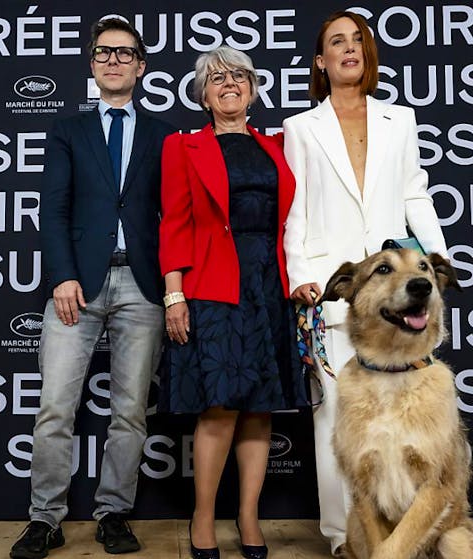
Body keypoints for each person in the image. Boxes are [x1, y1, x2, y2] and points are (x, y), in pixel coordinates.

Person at [282, 10, 449, 558]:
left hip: (394, 294)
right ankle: (343, 537)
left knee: (398, 422)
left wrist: (438, 260)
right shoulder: (301, 127)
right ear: (321, 61)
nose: (349, 48)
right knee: (337, 417)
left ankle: (400, 537)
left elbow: (415, 193)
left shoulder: (401, 120)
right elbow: (296, 209)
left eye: (357, 40)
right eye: (337, 41)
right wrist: (303, 277)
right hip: (335, 290)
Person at [9, 16, 175, 559]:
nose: (113, 61)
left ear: (141, 67)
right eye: (104, 52)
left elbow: (174, 216)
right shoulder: (69, 130)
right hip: (76, 284)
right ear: (92, 64)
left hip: (143, 285)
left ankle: (114, 514)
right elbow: (53, 209)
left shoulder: (163, 134)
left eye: (124, 53)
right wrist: (61, 275)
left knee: (130, 411)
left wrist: (172, 288)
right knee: (55, 407)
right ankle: (45, 519)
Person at [159, 46, 310, 559]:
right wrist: (174, 293)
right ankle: (203, 517)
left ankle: (248, 516)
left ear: (253, 88)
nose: (229, 84)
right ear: (203, 95)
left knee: (259, 409)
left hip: (269, 284)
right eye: (217, 78)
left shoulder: (279, 145)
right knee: (220, 408)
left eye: (239, 76)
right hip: (212, 286)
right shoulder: (183, 147)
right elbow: (174, 222)